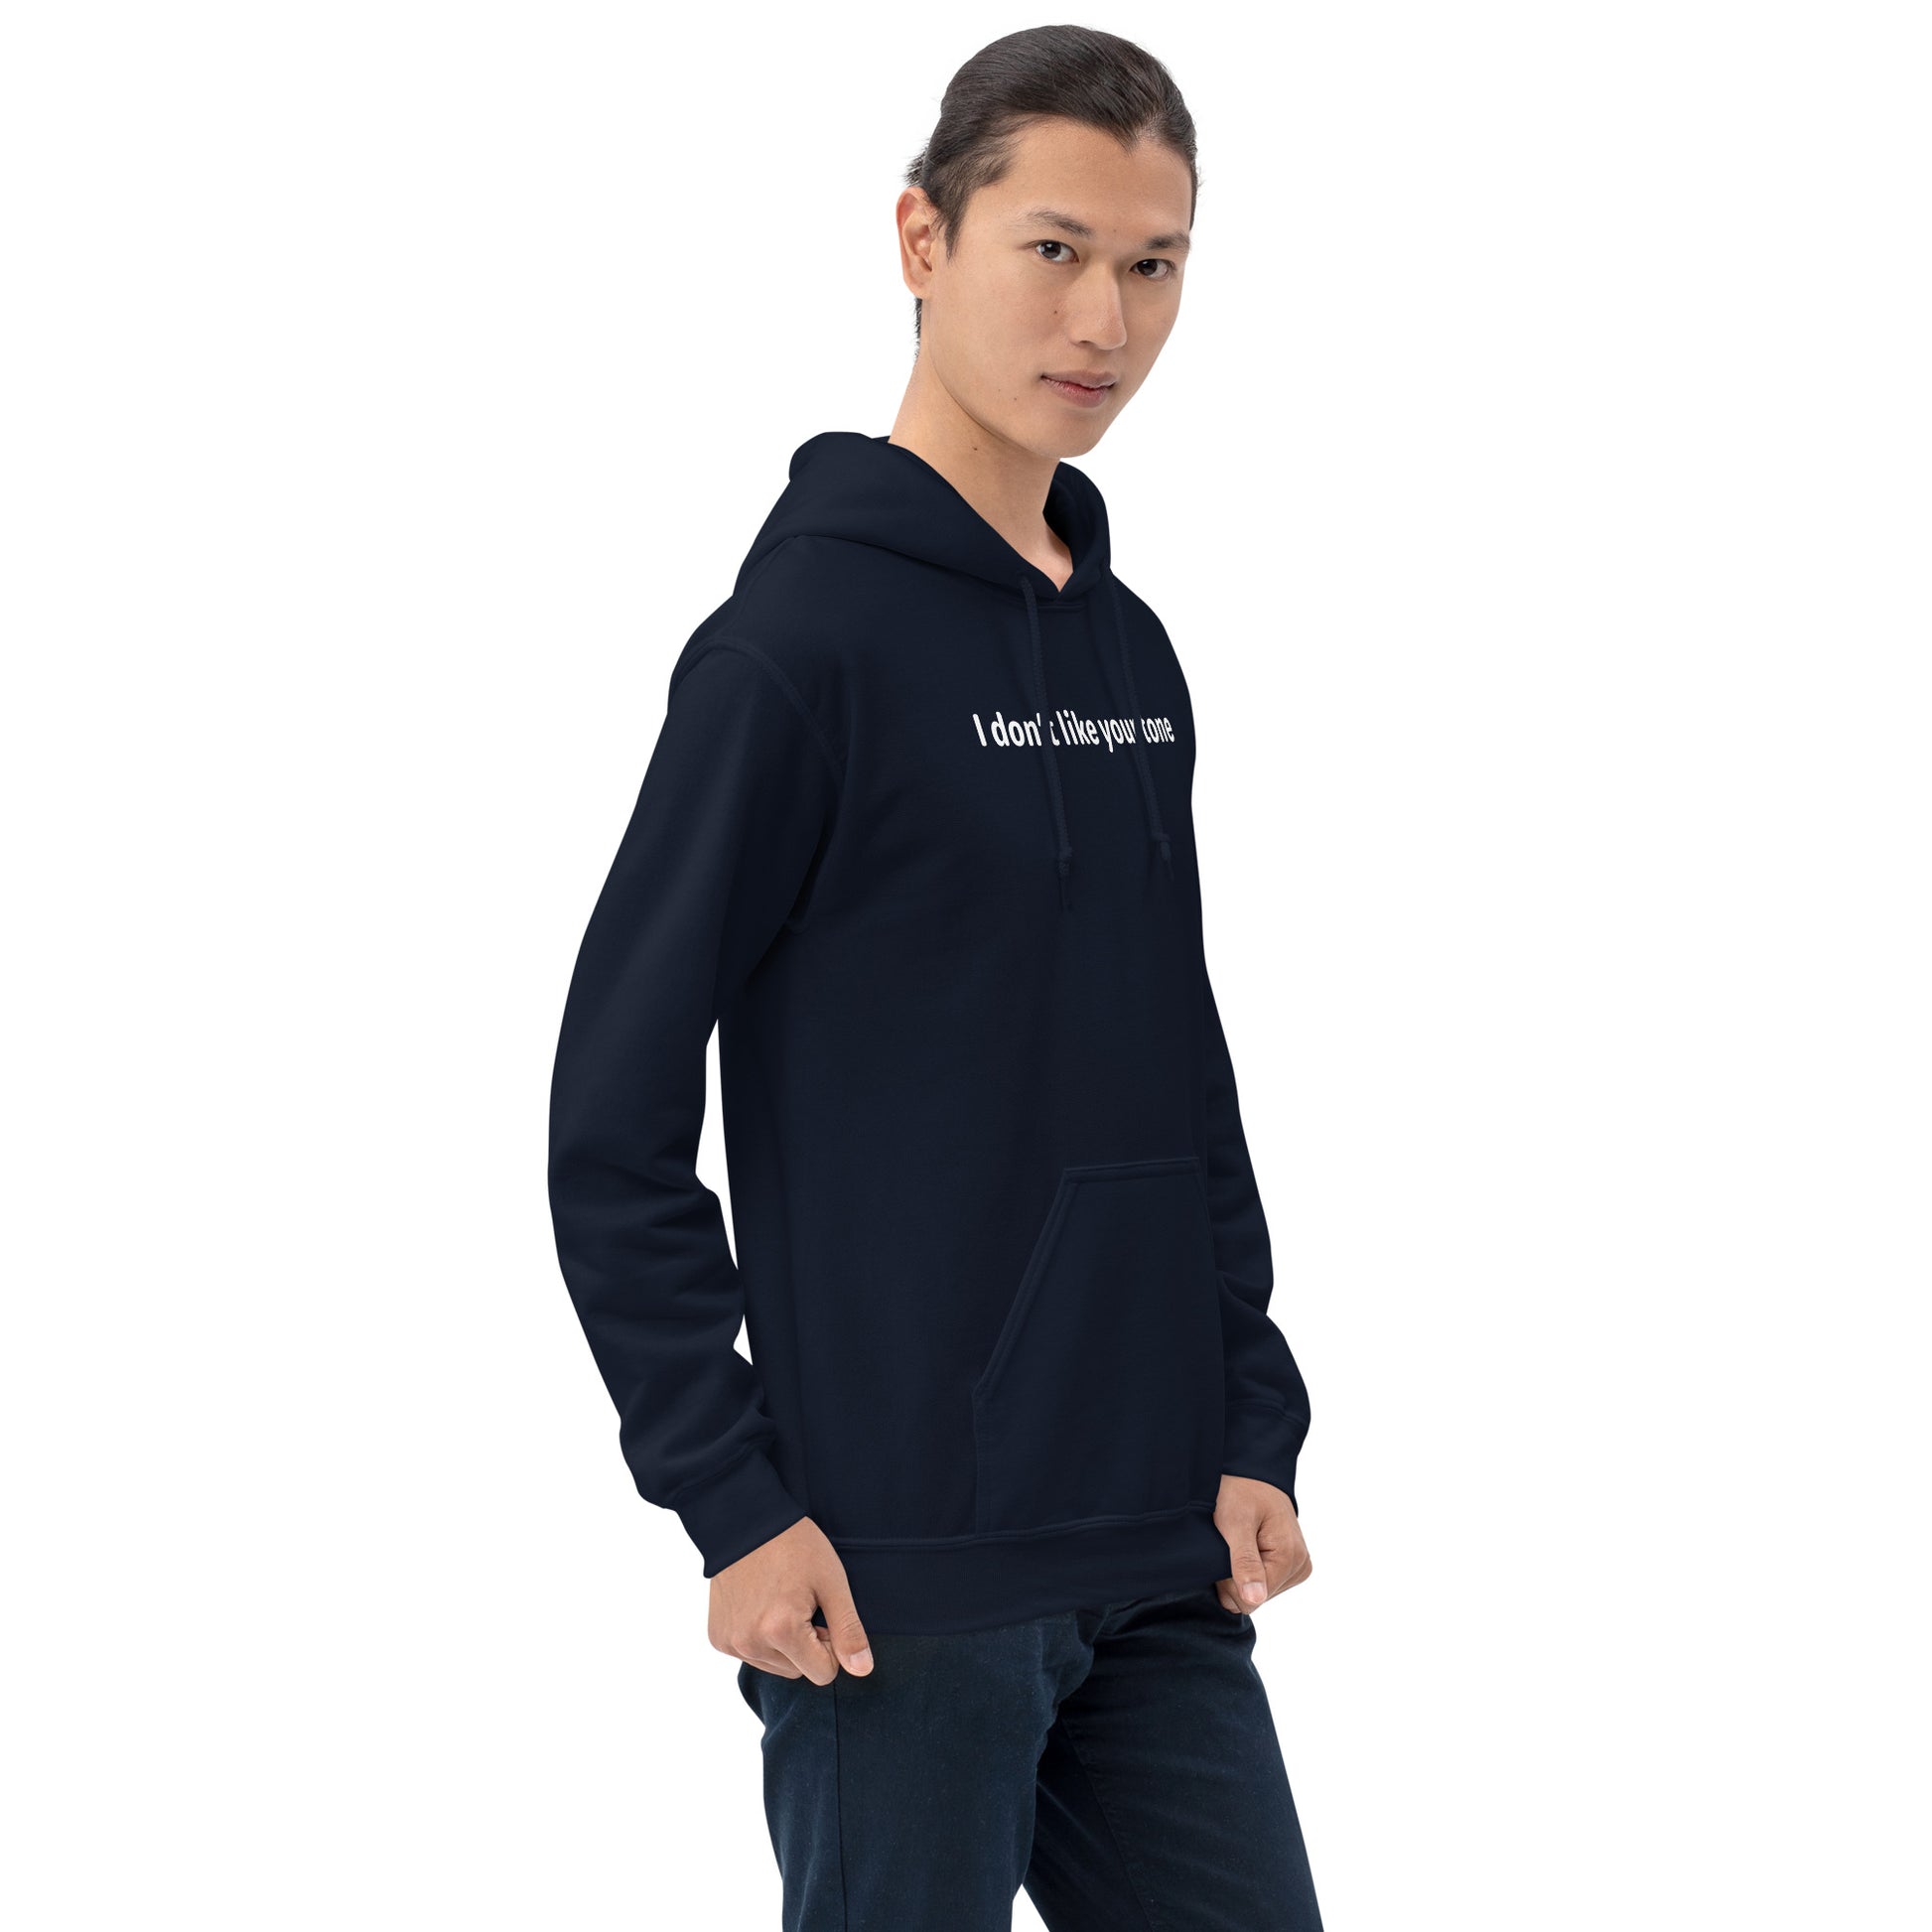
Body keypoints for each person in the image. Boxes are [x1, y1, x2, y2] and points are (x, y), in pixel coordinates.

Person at [546, 25, 1323, 1930]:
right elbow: (610, 1121)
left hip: (1158, 1550)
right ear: (921, 238)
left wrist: (1247, 1416)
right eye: (1053, 249)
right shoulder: (795, 649)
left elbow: (1173, 1061)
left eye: (1152, 264)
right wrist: (731, 1500)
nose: (1105, 321)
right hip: (892, 1578)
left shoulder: (1130, 653)